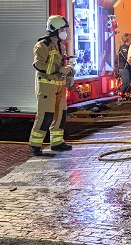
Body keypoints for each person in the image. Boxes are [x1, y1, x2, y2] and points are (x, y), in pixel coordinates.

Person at [28, 15, 75, 156]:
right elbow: (39, 65)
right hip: (46, 85)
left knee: (61, 115)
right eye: (63, 29)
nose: (65, 32)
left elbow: (62, 64)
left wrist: (69, 73)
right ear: (54, 29)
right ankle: (35, 144)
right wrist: (59, 69)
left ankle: (57, 143)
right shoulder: (43, 45)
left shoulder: (61, 45)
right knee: (46, 115)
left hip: (59, 85)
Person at [117, 33, 131, 101]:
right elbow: (128, 58)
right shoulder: (123, 48)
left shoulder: (130, 47)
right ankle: (119, 96)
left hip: (130, 67)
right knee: (126, 83)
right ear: (128, 39)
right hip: (124, 68)